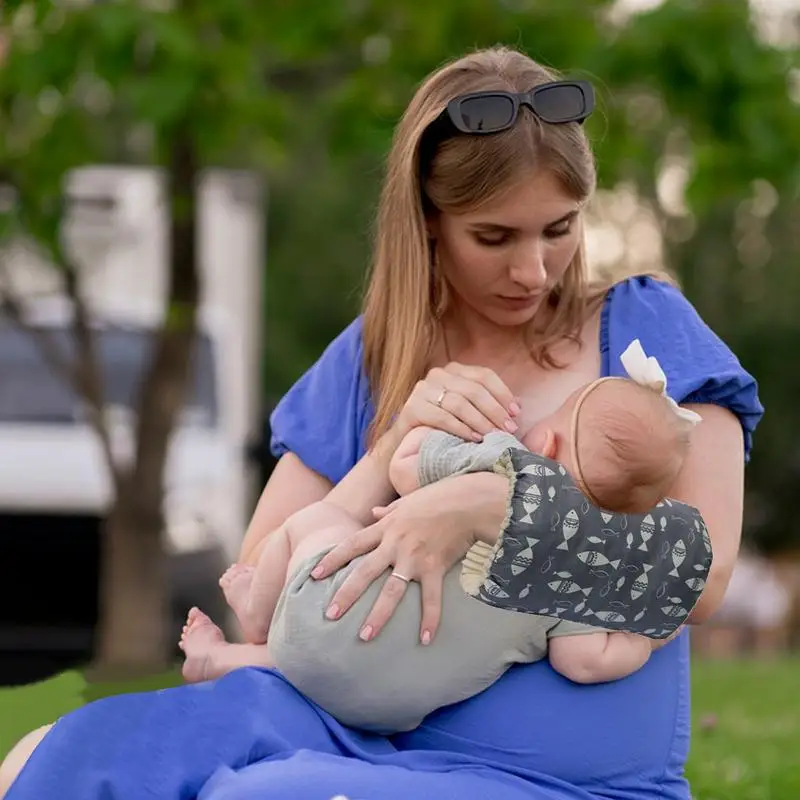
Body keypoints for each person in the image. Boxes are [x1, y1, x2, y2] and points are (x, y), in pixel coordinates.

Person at [0, 46, 762, 800]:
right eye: (495, 237)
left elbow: (701, 573)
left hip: (549, 779)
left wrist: (488, 508)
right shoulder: (374, 357)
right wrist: (393, 450)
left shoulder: (641, 330)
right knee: (57, 755)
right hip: (339, 732)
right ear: (428, 221)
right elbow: (264, 577)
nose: (533, 270)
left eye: (558, 229)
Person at [178, 338, 702, 734]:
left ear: (548, 440)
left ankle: (256, 611)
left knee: (313, 528)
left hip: (326, 618)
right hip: (396, 707)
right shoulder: (582, 581)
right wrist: (643, 637)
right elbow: (582, 663)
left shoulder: (501, 460)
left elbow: (405, 466)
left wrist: (437, 433)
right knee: (370, 649)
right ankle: (228, 660)